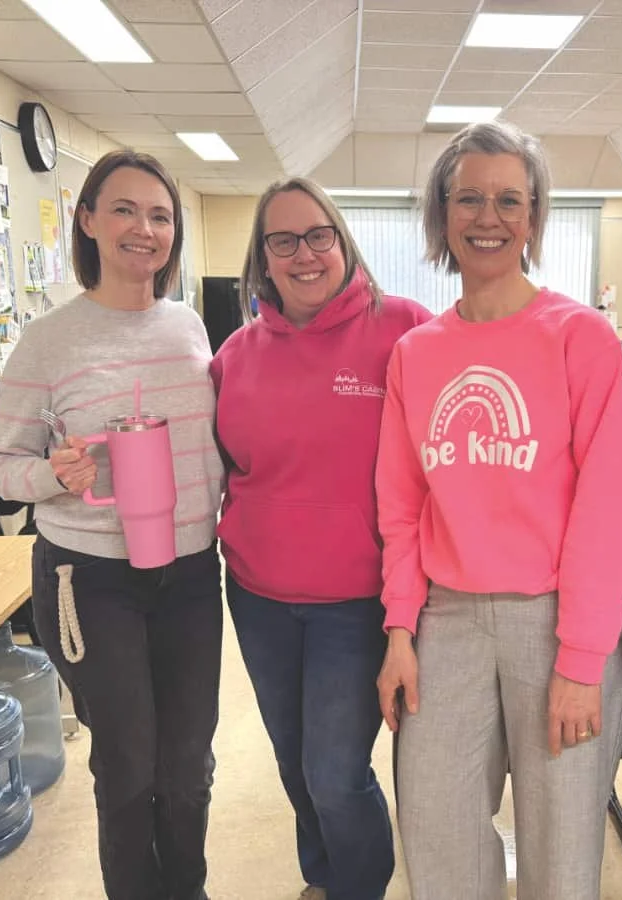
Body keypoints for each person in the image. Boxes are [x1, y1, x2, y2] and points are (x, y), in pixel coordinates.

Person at [374, 120, 622, 900]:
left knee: (562, 846)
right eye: (468, 199)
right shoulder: (416, 353)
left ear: (533, 217)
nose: (487, 217)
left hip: (555, 621)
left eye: (508, 200)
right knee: (436, 833)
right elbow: (400, 505)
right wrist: (400, 630)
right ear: (441, 214)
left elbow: (606, 508)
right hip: (446, 620)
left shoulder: (581, 336)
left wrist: (582, 659)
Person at [0, 150, 225, 900]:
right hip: (90, 578)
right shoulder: (49, 340)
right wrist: (54, 475)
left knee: (187, 767)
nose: (143, 229)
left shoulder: (189, 328)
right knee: (128, 767)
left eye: (159, 215)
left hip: (190, 571)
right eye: (124, 209)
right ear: (86, 219)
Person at [211, 177, 432, 900]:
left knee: (335, 773)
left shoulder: (405, 329)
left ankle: (359, 887)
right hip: (258, 596)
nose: (303, 254)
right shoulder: (233, 356)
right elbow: (218, 467)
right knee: (293, 762)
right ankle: (324, 877)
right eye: (283, 241)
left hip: (358, 601)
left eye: (317, 235)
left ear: (342, 240)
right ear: (262, 257)